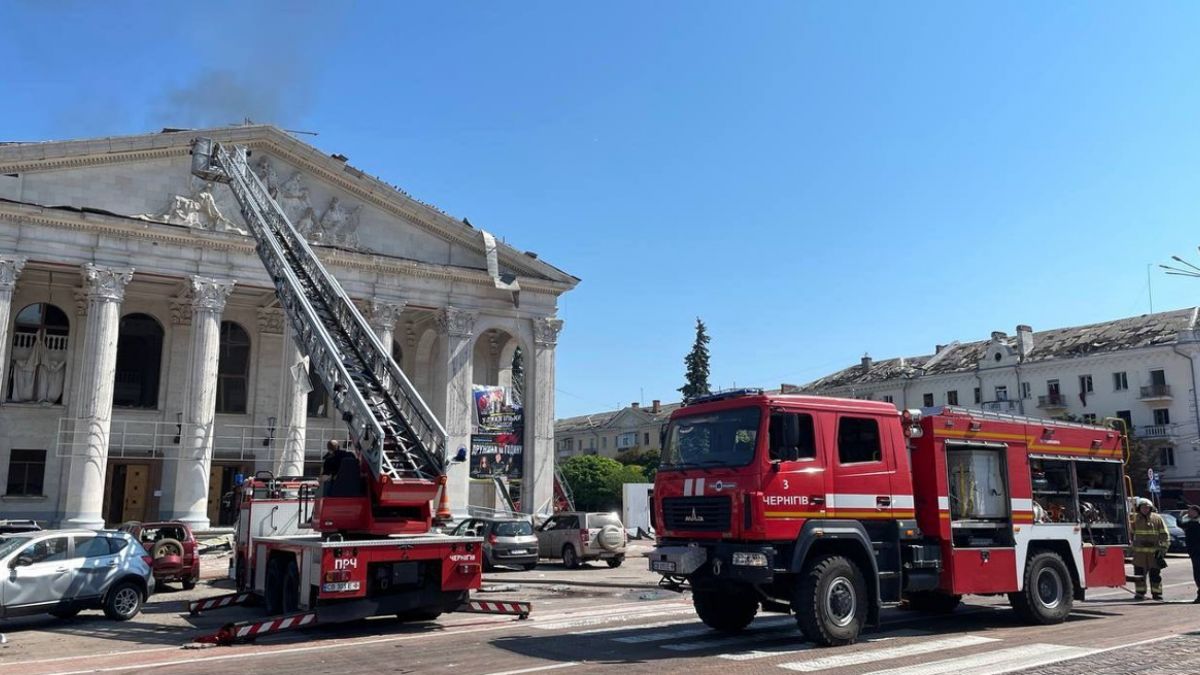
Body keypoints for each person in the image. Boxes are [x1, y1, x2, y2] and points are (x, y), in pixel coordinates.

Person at [1129, 497, 1170, 601]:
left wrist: (1162, 550)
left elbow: (1164, 535)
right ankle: (1140, 593)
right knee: (1139, 575)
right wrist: (1131, 548)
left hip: (1154, 554)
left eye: (1147, 507)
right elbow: (1129, 534)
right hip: (1139, 554)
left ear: (1151, 508)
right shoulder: (1134, 519)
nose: (1145, 509)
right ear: (1139, 508)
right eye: (1143, 507)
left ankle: (1157, 594)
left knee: (1155, 576)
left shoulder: (1157, 518)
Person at [1181, 504, 1200, 603]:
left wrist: (1182, 515)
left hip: (1197, 551)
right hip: (1194, 551)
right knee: (1197, 573)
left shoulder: (1195, 522)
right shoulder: (1191, 522)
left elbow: (1180, 524)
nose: (1189, 512)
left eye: (1191, 511)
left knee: (1198, 573)